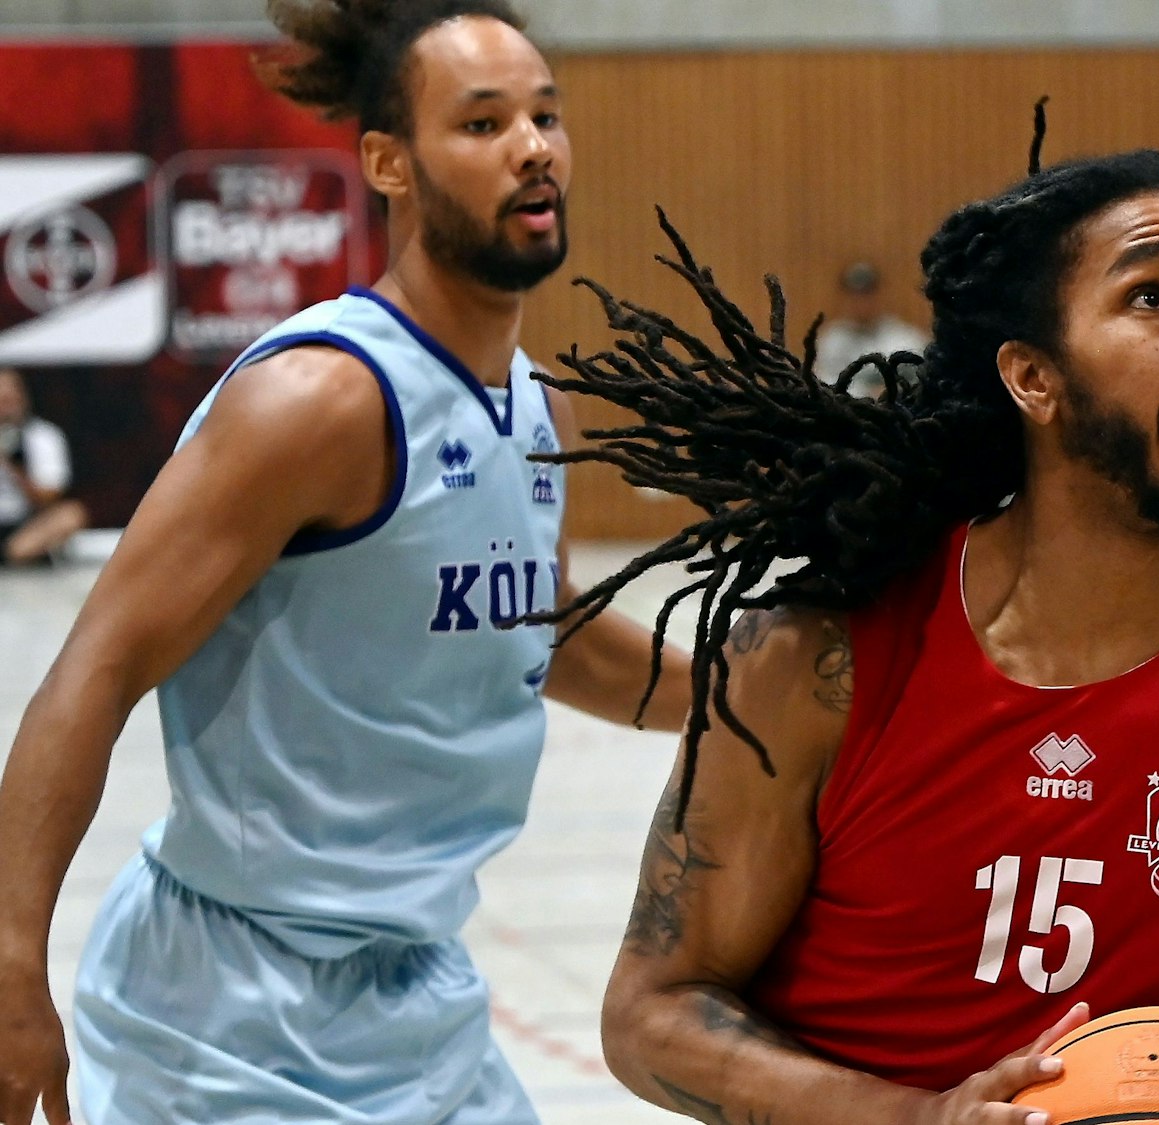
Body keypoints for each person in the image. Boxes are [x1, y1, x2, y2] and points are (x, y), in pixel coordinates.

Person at [541, 136, 1159, 1125]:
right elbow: (654, 1011)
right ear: (1032, 376)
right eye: (1149, 299)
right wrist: (916, 1119)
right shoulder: (821, 658)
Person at [0, 3, 693, 1123]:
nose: (532, 146)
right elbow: (97, 666)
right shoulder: (317, 399)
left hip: (421, 993)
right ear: (387, 163)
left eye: (545, 116)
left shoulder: (534, 407)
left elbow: (541, 629)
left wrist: (744, 698)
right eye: (481, 123)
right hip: (226, 1010)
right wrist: (7, 958)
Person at [0, 369, 88, 567]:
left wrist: (16, 467)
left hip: (25, 525)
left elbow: (50, 496)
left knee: (71, 515)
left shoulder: (45, 436)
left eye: (10, 399)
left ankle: (10, 554)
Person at [811, 259, 929, 397]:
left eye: (867, 294)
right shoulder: (832, 343)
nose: (861, 303)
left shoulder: (907, 340)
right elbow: (824, 386)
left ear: (879, 295)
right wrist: (868, 393)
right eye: (855, 295)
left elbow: (921, 384)